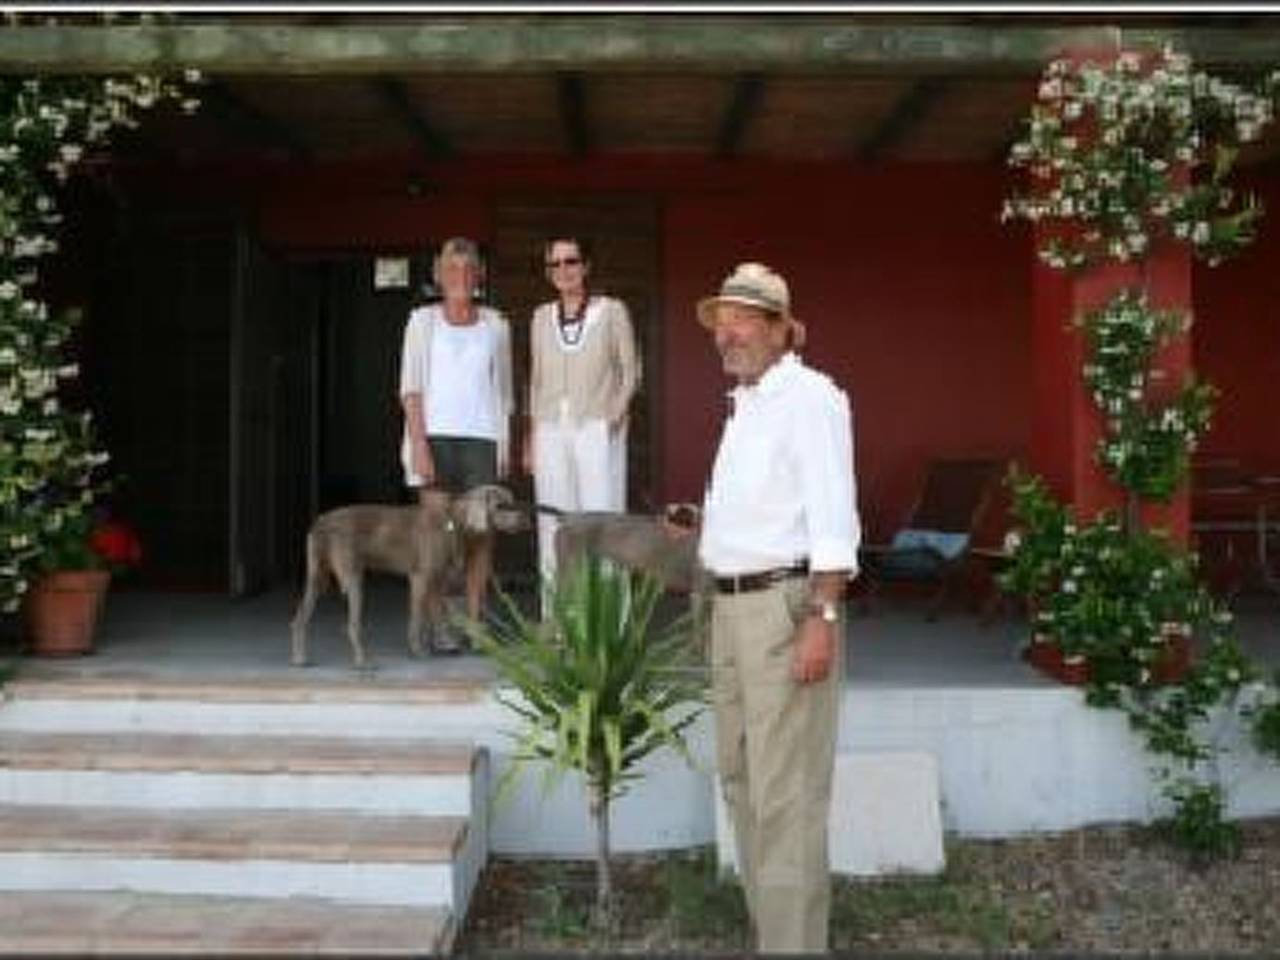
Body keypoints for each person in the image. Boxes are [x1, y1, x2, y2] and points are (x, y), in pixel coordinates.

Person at [665, 261, 860, 953]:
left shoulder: (809, 398)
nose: (728, 332)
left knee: (786, 799)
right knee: (744, 781)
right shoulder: (749, 404)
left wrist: (822, 617)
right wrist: (705, 523)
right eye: (722, 319)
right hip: (731, 610)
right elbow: (774, 507)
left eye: (745, 318)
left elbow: (834, 516)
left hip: (786, 610)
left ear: (781, 329)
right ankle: (772, 936)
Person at [399, 236, 514, 649]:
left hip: (482, 440)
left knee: (480, 537)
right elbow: (410, 389)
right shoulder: (421, 321)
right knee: (440, 541)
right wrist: (419, 445)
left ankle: (474, 621)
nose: (460, 277)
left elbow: (504, 393)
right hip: (436, 439)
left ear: (479, 275)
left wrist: (504, 444)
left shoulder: (496, 325)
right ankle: (442, 625)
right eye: (452, 269)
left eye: (468, 269)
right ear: (438, 275)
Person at [522, 235, 641, 600]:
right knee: (554, 524)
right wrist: (530, 437)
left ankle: (605, 624)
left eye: (570, 261)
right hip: (550, 430)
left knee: (602, 520)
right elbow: (536, 380)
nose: (563, 270)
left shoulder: (611, 310)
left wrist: (613, 417)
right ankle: (557, 622)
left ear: (585, 266)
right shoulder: (541, 317)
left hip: (596, 427)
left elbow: (631, 368)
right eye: (555, 264)